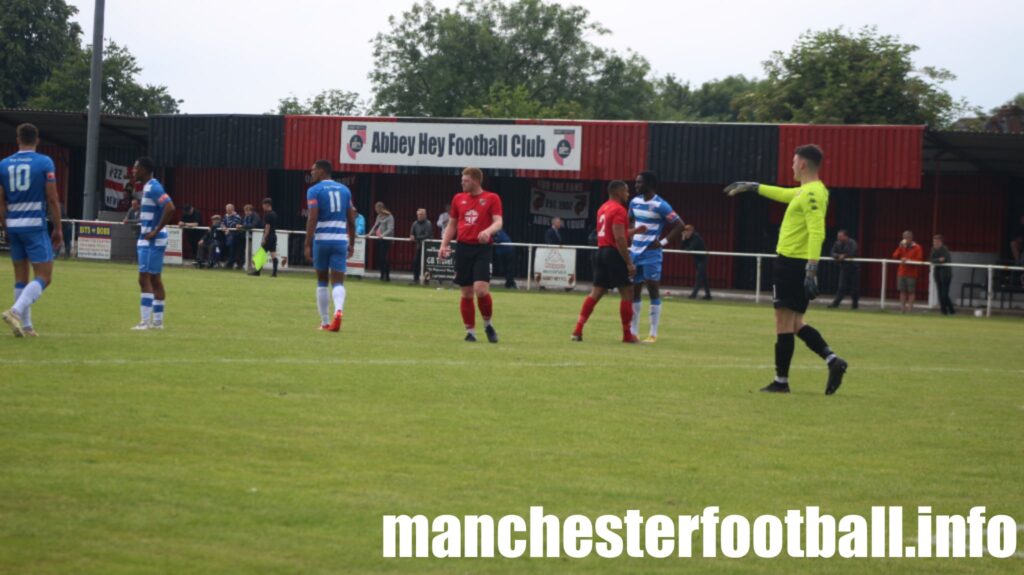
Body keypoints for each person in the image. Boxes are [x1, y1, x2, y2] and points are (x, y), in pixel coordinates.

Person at [725, 144, 848, 395]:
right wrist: (755, 187)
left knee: (783, 323)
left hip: (792, 264)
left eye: (793, 162)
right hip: (795, 264)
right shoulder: (808, 191)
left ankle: (781, 381)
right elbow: (784, 194)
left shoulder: (812, 193)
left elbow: (817, 231)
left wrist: (811, 268)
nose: (791, 166)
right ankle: (833, 360)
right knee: (795, 323)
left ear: (802, 163)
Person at [0, 123, 63, 337]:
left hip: (14, 225)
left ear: (17, 139)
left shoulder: (4, 164)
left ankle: (25, 327)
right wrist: (58, 228)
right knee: (45, 276)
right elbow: (52, 198)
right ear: (37, 140)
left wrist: (4, 226)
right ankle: (16, 311)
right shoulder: (44, 162)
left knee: (21, 276)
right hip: (34, 225)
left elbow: (1, 202)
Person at [439, 167, 503, 343]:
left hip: (482, 249)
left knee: (481, 290)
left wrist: (488, 231)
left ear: (475, 180)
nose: (462, 182)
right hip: (463, 248)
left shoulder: (492, 198)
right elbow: (452, 225)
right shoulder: (458, 199)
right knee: (466, 293)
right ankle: (471, 332)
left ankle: (488, 324)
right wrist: (444, 245)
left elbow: (498, 222)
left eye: (465, 180)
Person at [571, 181, 638, 343]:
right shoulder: (619, 210)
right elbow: (619, 237)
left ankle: (577, 330)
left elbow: (613, 232)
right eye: (626, 191)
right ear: (619, 192)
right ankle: (627, 334)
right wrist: (629, 262)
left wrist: (636, 231)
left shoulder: (603, 208)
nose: (628, 195)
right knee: (627, 292)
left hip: (600, 251)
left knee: (596, 292)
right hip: (613, 254)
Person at [628, 170, 684, 343]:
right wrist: (632, 235)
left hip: (651, 253)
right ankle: (633, 331)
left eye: (639, 183)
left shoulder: (661, 205)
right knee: (634, 290)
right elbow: (630, 220)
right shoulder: (634, 202)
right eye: (636, 182)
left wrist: (663, 242)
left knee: (653, 288)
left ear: (649, 185)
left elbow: (679, 224)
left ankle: (653, 333)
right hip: (634, 252)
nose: (636, 185)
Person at [304, 160, 356, 332]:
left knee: (322, 281)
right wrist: (352, 243)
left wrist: (307, 244)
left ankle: (325, 322)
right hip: (340, 240)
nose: (311, 172)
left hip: (322, 240)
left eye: (313, 170)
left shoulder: (314, 190)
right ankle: (339, 310)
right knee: (338, 282)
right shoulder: (345, 190)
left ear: (322, 171)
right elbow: (351, 220)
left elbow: (312, 218)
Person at [131, 157, 175, 331]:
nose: (133, 171)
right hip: (149, 238)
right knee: (155, 279)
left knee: (144, 278)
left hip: (152, 239)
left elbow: (170, 207)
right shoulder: (148, 187)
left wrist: (156, 230)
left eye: (135, 168)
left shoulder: (154, 186)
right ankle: (157, 322)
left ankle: (145, 322)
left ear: (144, 169)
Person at [892, 230, 923, 314]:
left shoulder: (917, 247)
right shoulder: (902, 246)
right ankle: (902, 309)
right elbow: (894, 256)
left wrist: (909, 260)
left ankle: (909, 310)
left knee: (911, 292)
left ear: (911, 238)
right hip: (901, 272)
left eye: (906, 238)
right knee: (902, 291)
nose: (904, 239)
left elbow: (919, 260)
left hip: (911, 273)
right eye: (903, 238)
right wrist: (899, 247)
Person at [828, 229, 860, 309]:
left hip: (854, 268)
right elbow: (832, 253)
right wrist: (838, 256)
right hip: (844, 268)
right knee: (841, 287)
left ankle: (855, 305)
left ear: (846, 236)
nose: (838, 238)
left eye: (840, 236)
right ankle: (835, 304)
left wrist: (844, 256)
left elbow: (852, 252)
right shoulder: (837, 243)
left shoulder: (852, 242)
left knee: (854, 288)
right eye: (838, 236)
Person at [680, 224, 711, 300]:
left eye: (688, 231)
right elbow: (681, 247)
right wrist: (683, 238)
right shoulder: (687, 238)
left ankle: (693, 295)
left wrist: (686, 246)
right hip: (696, 259)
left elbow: (690, 248)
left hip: (702, 258)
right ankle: (708, 295)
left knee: (699, 277)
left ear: (691, 231)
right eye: (685, 231)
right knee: (703, 277)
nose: (686, 233)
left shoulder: (696, 237)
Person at [250, 198, 279, 277]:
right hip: (274, 236)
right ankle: (274, 273)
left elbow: (267, 227)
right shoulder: (274, 214)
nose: (262, 207)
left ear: (267, 205)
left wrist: (264, 238)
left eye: (263, 205)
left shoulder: (268, 215)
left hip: (268, 236)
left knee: (261, 254)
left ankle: (257, 272)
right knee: (273, 254)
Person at [369, 201, 394, 282]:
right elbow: (375, 226)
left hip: (387, 239)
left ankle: (387, 276)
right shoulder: (379, 216)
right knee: (380, 258)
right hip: (379, 239)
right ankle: (382, 275)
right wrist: (369, 234)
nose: (375, 210)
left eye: (376, 208)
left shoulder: (390, 216)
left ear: (380, 208)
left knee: (384, 258)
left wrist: (383, 235)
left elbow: (390, 228)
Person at [931, 234, 955, 315]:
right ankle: (944, 311)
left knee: (944, 294)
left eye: (937, 242)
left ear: (941, 242)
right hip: (937, 275)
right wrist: (938, 260)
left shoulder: (945, 250)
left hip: (946, 275)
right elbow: (931, 259)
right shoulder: (933, 249)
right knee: (940, 294)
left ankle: (951, 310)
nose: (935, 243)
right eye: (934, 241)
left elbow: (944, 260)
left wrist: (937, 260)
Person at [409, 208, 433, 283]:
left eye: (421, 214)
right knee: (416, 263)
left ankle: (427, 281)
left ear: (425, 215)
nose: (420, 216)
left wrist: (415, 237)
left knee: (427, 265)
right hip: (419, 247)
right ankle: (415, 279)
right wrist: (412, 236)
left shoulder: (428, 223)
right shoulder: (414, 223)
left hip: (428, 247)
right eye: (418, 214)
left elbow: (427, 235)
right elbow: (412, 233)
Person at [223, 203, 243, 270]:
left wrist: (227, 228)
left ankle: (232, 264)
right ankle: (229, 263)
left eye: (229, 210)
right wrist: (225, 228)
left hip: (236, 237)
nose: (227, 211)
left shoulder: (237, 216)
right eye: (227, 210)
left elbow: (233, 225)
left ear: (232, 209)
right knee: (229, 250)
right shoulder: (226, 216)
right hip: (228, 237)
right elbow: (222, 223)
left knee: (234, 251)